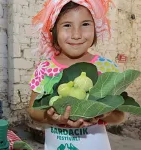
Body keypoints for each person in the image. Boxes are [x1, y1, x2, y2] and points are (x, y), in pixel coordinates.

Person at [27, 0, 125, 150]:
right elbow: (33, 111)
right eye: (67, 25)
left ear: (95, 28)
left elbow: (120, 115)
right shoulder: (45, 68)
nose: (76, 35)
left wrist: (102, 113)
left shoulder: (107, 68)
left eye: (85, 24)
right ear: (54, 31)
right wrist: (51, 118)